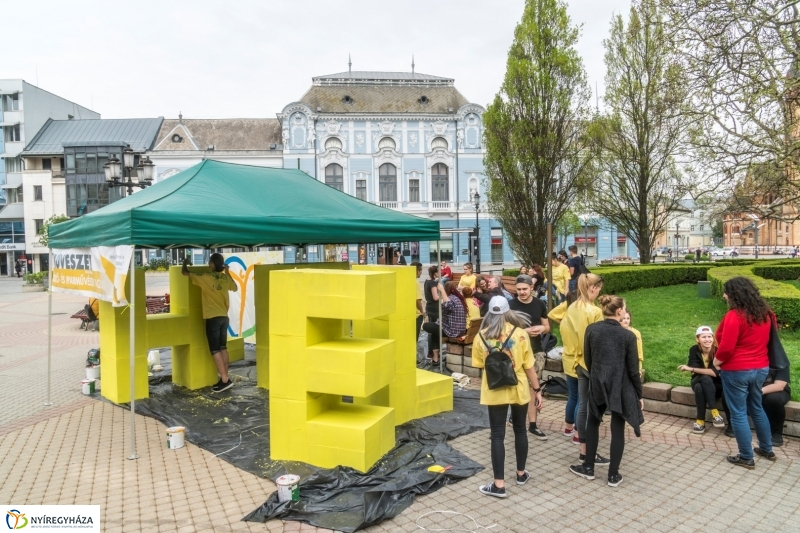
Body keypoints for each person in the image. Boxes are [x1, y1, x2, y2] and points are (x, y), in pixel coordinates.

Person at [472, 296, 544, 498]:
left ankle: (499, 485)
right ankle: (521, 474)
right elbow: (529, 366)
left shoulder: (481, 337)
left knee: (497, 435)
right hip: (519, 387)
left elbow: (479, 365)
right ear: (507, 312)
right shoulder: (521, 334)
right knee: (520, 429)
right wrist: (537, 390)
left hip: (494, 388)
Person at [570, 294, 643, 488]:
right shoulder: (628, 335)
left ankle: (588, 467)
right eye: (625, 309)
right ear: (619, 311)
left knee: (593, 421)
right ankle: (613, 475)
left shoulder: (592, 330)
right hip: (620, 385)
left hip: (598, 381)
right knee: (617, 429)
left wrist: (598, 375)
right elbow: (633, 369)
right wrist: (638, 394)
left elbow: (588, 358)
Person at [713, 276, 775, 468]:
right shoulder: (766, 314)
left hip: (737, 369)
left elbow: (727, 347)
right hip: (760, 368)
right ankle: (766, 448)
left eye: (726, 292)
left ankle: (746, 456)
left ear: (733, 295)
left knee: (738, 413)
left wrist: (716, 361)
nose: (724, 295)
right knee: (756, 408)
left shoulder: (734, 316)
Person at [562, 273, 608, 465]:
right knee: (587, 407)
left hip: (570, 360)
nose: (599, 293)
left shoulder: (572, 307)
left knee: (578, 402)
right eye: (599, 289)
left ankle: (580, 442)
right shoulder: (594, 311)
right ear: (593, 288)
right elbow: (595, 340)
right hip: (587, 362)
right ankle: (588, 451)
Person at [182, 254, 238, 392]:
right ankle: (225, 378)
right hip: (224, 317)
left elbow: (185, 273)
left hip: (212, 318)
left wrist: (185, 262)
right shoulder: (225, 278)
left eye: (209, 262)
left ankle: (224, 380)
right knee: (223, 347)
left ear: (213, 264)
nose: (208, 264)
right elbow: (235, 287)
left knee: (215, 350)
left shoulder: (206, 277)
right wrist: (228, 272)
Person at [509, 275, 550, 440]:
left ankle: (533, 424)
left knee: (534, 387)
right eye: (518, 290)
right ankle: (516, 416)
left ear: (531, 288)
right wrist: (524, 332)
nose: (521, 292)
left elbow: (547, 326)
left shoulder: (540, 304)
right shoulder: (510, 305)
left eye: (524, 289)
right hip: (515, 351)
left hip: (535, 350)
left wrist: (541, 329)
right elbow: (505, 331)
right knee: (517, 386)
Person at [678, 326, 728, 434]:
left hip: (716, 386)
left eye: (709, 336)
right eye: (703, 337)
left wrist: (691, 368)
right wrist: (698, 370)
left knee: (699, 387)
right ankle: (715, 413)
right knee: (704, 378)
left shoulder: (718, 351)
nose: (707, 339)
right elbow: (695, 372)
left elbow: (715, 373)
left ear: (713, 338)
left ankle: (700, 421)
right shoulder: (694, 350)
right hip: (697, 379)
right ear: (697, 339)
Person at [422, 281, 468, 365]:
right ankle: (435, 359)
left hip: (453, 331)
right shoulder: (458, 298)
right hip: (461, 330)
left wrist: (442, 291)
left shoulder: (450, 299)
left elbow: (448, 306)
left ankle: (435, 358)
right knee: (435, 332)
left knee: (427, 326)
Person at [761, 363, 791, 447]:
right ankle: (732, 426)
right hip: (754, 389)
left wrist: (757, 392)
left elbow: (779, 386)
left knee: (773, 399)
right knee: (730, 394)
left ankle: (776, 433)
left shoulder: (780, 360)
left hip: (776, 391)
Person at [621, 310, 644, 383]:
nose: (626, 321)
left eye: (628, 318)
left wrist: (639, 367)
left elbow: (639, 350)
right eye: (624, 318)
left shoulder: (636, 332)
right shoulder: (617, 332)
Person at [412, 262, 424, 340]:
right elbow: (417, 300)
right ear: (417, 271)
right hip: (416, 314)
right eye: (421, 270)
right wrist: (422, 311)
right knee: (415, 337)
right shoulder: (416, 283)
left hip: (409, 314)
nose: (421, 272)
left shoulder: (407, 280)